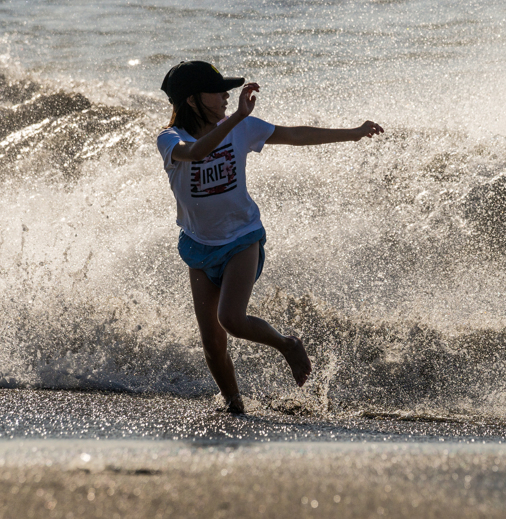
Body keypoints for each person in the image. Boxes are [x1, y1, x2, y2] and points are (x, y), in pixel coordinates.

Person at [156, 60, 384, 414]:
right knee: (212, 343)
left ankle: (287, 345)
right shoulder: (171, 139)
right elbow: (196, 153)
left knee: (230, 319)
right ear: (191, 100)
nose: (226, 97)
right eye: (218, 92)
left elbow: (294, 135)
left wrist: (352, 132)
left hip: (242, 238)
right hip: (199, 246)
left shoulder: (240, 128)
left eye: (226, 91)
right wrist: (237, 119)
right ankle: (234, 405)